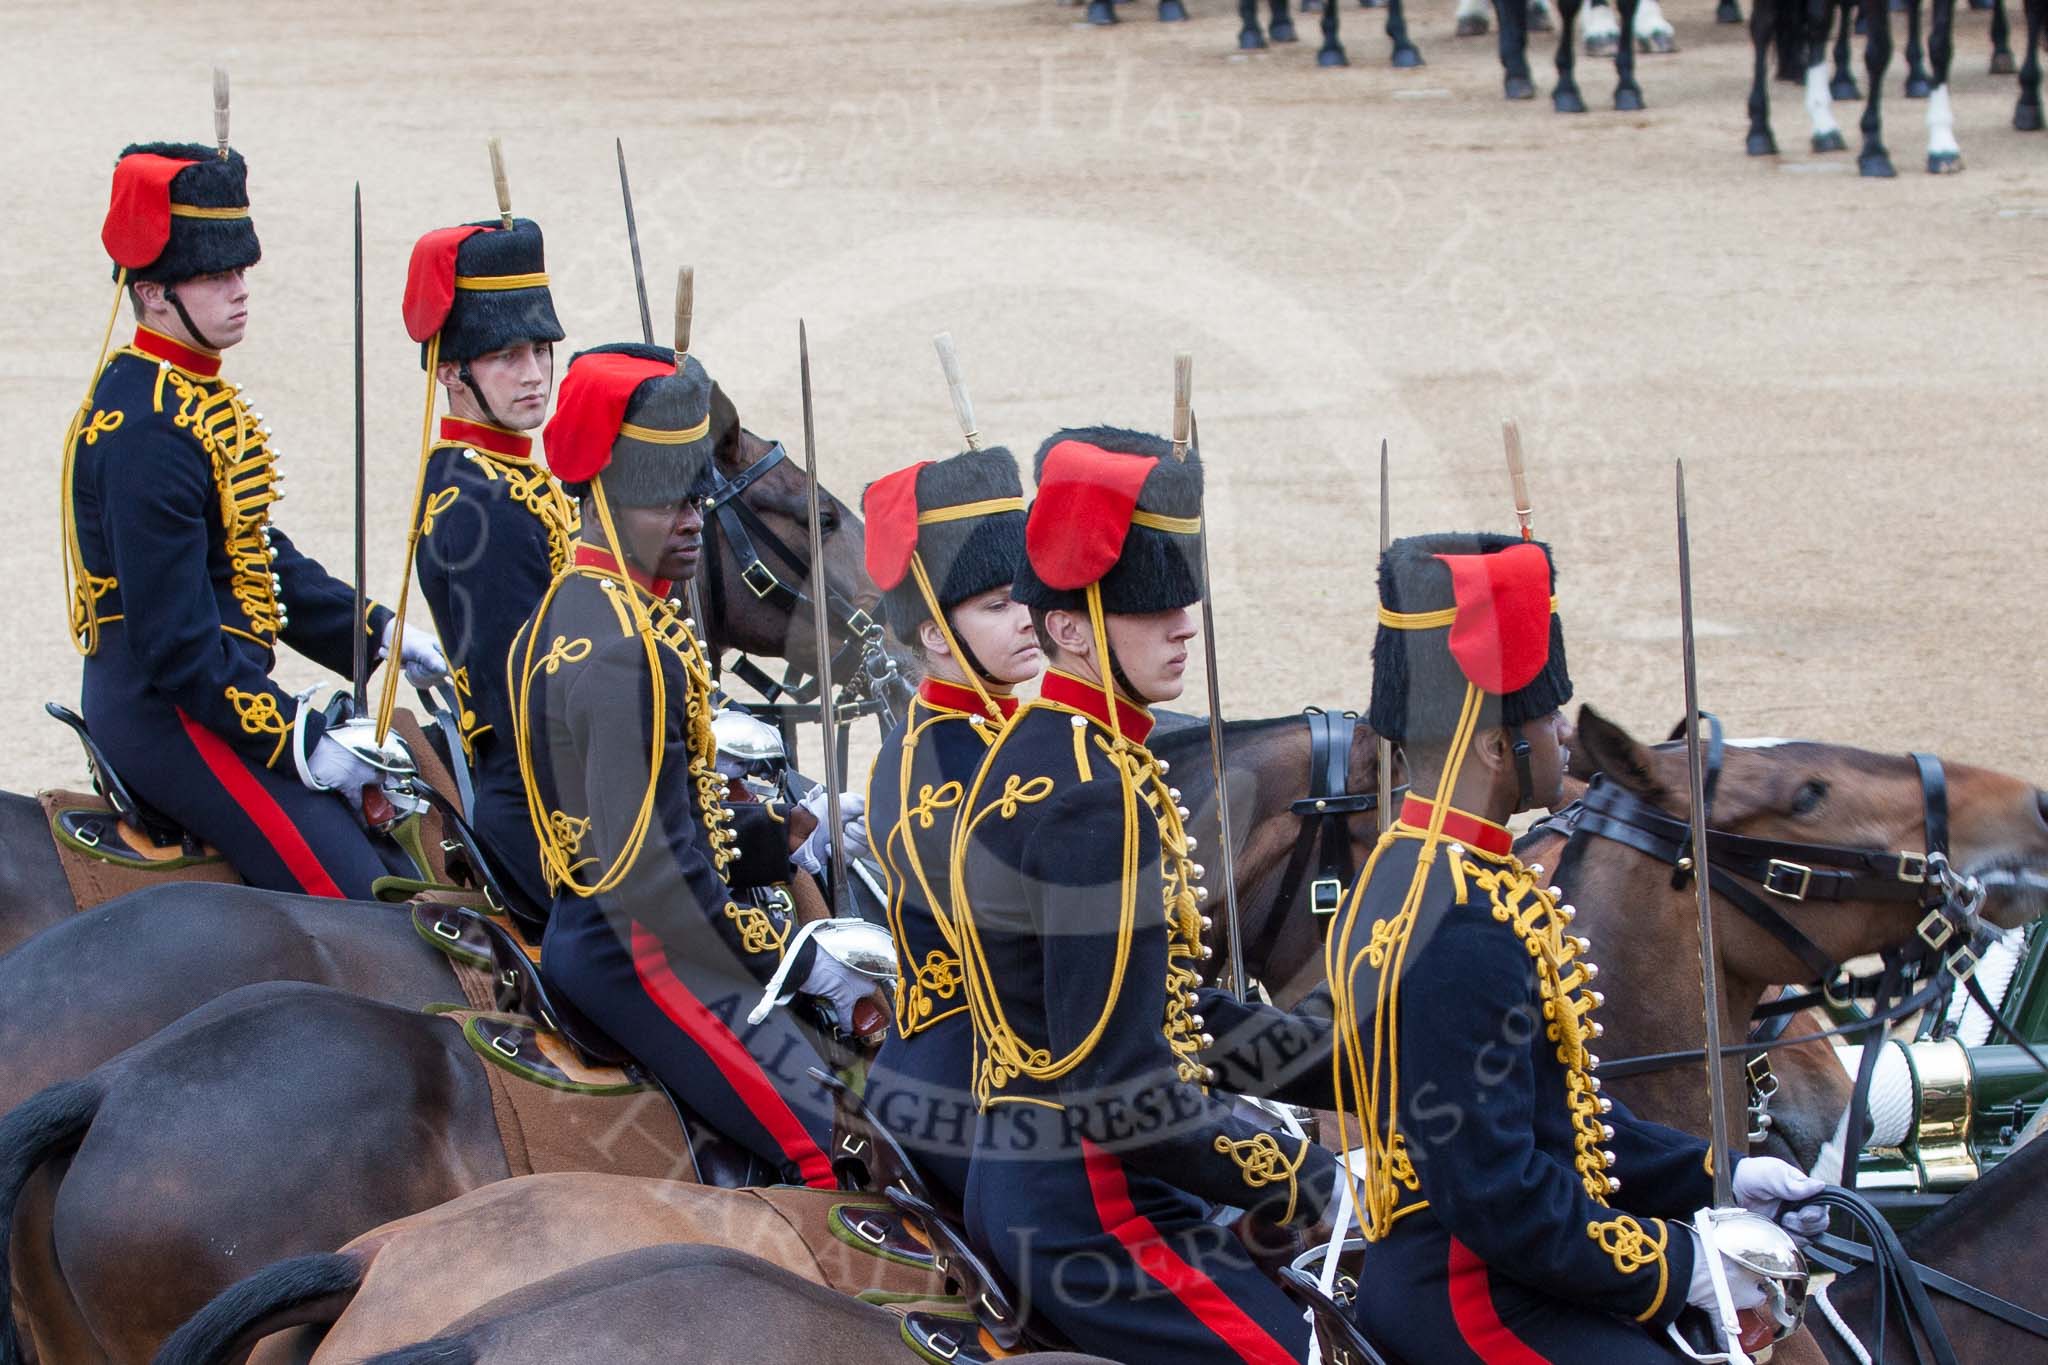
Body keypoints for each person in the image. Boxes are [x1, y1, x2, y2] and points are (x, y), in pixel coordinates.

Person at [1316, 530, 1822, 1361]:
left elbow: (1555, 1119)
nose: (1561, 733)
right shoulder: (1461, 916)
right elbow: (1500, 1193)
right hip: (1477, 1300)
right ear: (1492, 743)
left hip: (1484, 1273)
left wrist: (1717, 1176)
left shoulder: (1419, 868)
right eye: (1546, 714)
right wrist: (1687, 1263)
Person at [951, 427, 1337, 1364]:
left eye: (1183, 600)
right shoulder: (1097, 795)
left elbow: (1164, 1007)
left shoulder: (1049, 751)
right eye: (1150, 607)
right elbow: (1123, 1088)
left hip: (1038, 1180)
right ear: (1072, 626)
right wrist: (1300, 1168)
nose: (1185, 624)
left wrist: (1366, 1065)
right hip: (1095, 1214)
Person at [510, 342, 875, 1187]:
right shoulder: (623, 649)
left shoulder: (586, 607)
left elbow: (662, 814)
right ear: (603, 490)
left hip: (624, 933)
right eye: (665, 498)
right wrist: (790, 958)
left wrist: (789, 832)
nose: (691, 516)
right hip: (644, 955)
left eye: (696, 497)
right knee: (843, 1149)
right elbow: (653, 879)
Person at [62, 139, 445, 899]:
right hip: (168, 713)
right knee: (357, 893)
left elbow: (255, 557)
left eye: (238, 270)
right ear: (152, 291)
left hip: (213, 691)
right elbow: (177, 649)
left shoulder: (187, 398)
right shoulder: (150, 429)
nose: (239, 290)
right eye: (212, 275)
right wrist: (302, 740)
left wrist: (375, 632)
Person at [858, 446, 1041, 1207]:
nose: (1028, 617)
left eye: (1029, 595)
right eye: (997, 605)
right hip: (968, 1089)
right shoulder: (948, 767)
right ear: (934, 633)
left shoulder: (994, 736)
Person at [401, 216, 571, 915]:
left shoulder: (514, 481)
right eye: (506, 356)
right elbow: (531, 709)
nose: (533, 374)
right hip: (550, 823)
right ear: (451, 371)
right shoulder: (483, 507)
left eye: (540, 349)